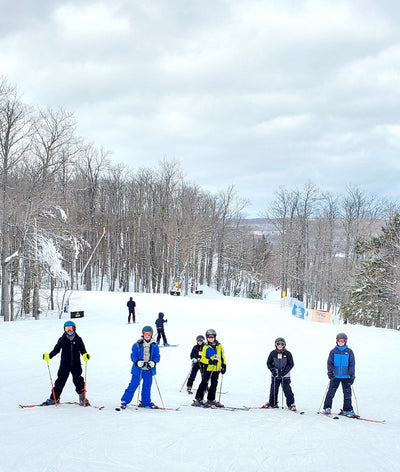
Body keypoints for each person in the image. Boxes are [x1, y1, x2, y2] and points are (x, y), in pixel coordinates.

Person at [42, 320, 90, 406]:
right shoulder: (62, 340)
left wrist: (85, 355)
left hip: (76, 364)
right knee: (60, 381)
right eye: (67, 328)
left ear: (74, 329)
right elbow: (56, 350)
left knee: (78, 380)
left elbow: (82, 350)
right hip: (65, 364)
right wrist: (49, 356)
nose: (69, 330)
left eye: (71, 328)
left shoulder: (78, 339)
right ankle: (54, 398)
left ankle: (83, 399)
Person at [120, 325, 160, 409]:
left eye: (149, 334)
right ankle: (125, 401)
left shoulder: (155, 345)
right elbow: (133, 355)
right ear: (143, 334)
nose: (147, 335)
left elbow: (157, 356)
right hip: (138, 369)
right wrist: (137, 362)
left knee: (147, 386)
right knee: (133, 385)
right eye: (145, 334)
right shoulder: (137, 344)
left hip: (148, 370)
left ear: (151, 334)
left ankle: (146, 402)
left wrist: (154, 362)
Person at [323, 332, 356, 417]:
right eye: (339, 341)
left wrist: (352, 375)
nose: (341, 342)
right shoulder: (333, 352)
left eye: (342, 341)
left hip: (346, 376)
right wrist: (330, 372)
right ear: (336, 341)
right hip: (335, 376)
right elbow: (330, 362)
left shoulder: (349, 352)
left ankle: (347, 409)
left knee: (347, 393)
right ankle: (327, 407)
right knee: (331, 392)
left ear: (345, 341)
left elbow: (352, 364)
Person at [193, 329, 226, 407]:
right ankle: (199, 399)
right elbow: (203, 358)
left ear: (215, 337)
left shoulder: (219, 346)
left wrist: (224, 365)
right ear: (207, 338)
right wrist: (210, 361)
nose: (211, 338)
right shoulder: (206, 347)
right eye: (209, 337)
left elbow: (222, 356)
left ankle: (211, 399)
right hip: (208, 368)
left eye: (212, 337)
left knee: (214, 384)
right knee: (204, 383)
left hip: (216, 368)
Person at [264, 337, 296, 411]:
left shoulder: (287, 354)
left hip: (285, 376)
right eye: (278, 344)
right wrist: (273, 371)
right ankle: (273, 403)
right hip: (275, 376)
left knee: (287, 390)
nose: (280, 345)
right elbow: (269, 363)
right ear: (275, 345)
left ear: (284, 345)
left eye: (281, 344)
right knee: (273, 390)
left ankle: (291, 404)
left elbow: (291, 364)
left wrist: (284, 372)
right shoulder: (273, 353)